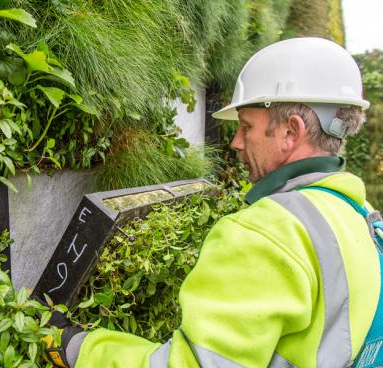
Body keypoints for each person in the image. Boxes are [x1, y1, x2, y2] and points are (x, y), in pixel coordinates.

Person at [46, 37, 382, 367]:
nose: (236, 141)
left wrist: (75, 347)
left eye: (246, 126)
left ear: (290, 132)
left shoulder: (268, 233)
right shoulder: (362, 218)